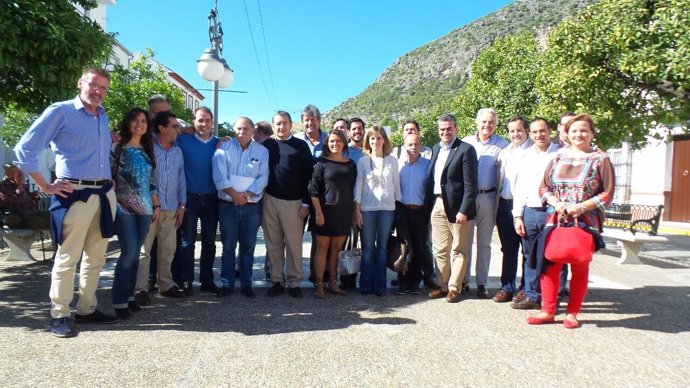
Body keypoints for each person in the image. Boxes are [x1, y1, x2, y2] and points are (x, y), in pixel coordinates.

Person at [14, 67, 118, 337]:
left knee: (96, 257)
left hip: (103, 195)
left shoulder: (102, 116)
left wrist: (106, 177)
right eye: (93, 85)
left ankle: (86, 309)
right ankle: (59, 314)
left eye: (103, 88)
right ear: (80, 82)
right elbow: (24, 149)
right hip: (74, 194)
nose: (98, 91)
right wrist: (45, 185)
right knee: (67, 257)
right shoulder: (60, 111)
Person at [528, 113, 615, 328]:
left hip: (584, 221)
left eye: (584, 130)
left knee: (579, 265)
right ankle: (547, 310)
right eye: (574, 130)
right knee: (549, 265)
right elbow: (543, 187)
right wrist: (557, 203)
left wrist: (582, 207)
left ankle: (572, 312)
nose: (579, 134)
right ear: (567, 133)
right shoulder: (558, 157)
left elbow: (608, 193)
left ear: (592, 133)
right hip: (556, 218)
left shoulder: (600, 159)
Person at [110, 108, 159, 320]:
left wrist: (156, 205)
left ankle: (129, 296)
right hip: (122, 206)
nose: (139, 124)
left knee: (136, 253)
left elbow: (151, 182)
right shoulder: (117, 147)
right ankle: (119, 299)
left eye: (143, 121)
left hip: (145, 208)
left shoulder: (147, 149)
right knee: (128, 252)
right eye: (135, 120)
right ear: (128, 122)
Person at [212, 117, 269, 298]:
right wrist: (235, 195)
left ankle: (246, 284)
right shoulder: (224, 148)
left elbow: (263, 177)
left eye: (245, 129)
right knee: (228, 245)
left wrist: (247, 195)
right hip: (228, 205)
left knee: (248, 246)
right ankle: (227, 283)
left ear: (253, 131)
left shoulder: (262, 151)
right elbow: (219, 175)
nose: (241, 132)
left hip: (251, 206)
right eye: (238, 128)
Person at [134, 111, 187, 305]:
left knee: (168, 250)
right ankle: (140, 289)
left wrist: (182, 205)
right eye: (173, 126)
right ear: (161, 128)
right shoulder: (147, 147)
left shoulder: (177, 151)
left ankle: (166, 285)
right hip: (149, 208)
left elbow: (181, 178)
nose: (177, 130)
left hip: (171, 207)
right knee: (144, 250)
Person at [425, 114, 478, 303]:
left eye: (449, 128)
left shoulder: (466, 150)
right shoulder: (435, 149)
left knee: (459, 249)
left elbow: (471, 185)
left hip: (458, 207)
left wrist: (464, 209)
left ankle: (455, 288)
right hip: (438, 204)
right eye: (442, 129)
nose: (445, 132)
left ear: (456, 128)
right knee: (440, 248)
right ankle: (442, 284)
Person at [262, 111, 314, 298]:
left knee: (293, 245)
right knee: (273, 244)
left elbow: (310, 177)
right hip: (270, 200)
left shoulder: (301, 147)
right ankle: (276, 280)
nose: (281, 127)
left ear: (290, 125)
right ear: (273, 126)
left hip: (293, 203)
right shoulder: (266, 145)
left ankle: (294, 282)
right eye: (277, 124)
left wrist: (306, 204)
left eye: (284, 123)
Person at [511, 118, 560, 310]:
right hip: (531, 211)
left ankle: (552, 296)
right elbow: (520, 188)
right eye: (534, 132)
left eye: (542, 131)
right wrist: (518, 216)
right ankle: (532, 295)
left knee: (553, 257)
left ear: (550, 131)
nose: (539, 135)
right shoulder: (526, 156)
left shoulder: (560, 154)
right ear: (530, 134)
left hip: (553, 212)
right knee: (530, 255)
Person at [171, 106, 220, 295]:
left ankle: (207, 280)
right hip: (189, 199)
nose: (204, 124)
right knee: (187, 242)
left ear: (212, 122)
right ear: (193, 121)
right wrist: (181, 129)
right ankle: (186, 280)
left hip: (212, 198)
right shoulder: (183, 139)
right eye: (200, 120)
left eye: (207, 120)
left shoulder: (221, 143)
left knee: (209, 242)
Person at [462, 108, 509, 298]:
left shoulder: (502, 144)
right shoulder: (466, 142)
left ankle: (481, 283)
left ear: (495, 125)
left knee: (484, 244)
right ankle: (463, 281)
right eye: (484, 122)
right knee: (464, 242)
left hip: (488, 198)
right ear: (477, 122)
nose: (487, 125)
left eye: (491, 122)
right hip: (468, 198)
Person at [308, 129, 356, 299]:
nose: (335, 144)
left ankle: (333, 283)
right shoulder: (320, 163)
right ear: (327, 143)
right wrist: (318, 213)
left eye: (338, 141)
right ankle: (319, 284)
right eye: (332, 141)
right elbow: (313, 190)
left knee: (336, 250)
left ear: (344, 143)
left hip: (343, 213)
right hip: (324, 212)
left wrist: (354, 213)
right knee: (321, 250)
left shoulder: (351, 164)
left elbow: (353, 190)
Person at [354, 126, 401, 296]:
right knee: (367, 249)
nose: (376, 141)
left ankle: (380, 286)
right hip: (367, 209)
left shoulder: (392, 161)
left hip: (387, 209)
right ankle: (365, 285)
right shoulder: (363, 161)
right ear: (368, 141)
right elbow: (358, 186)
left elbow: (396, 186)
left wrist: (398, 209)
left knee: (382, 249)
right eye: (372, 138)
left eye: (379, 138)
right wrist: (357, 211)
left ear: (384, 140)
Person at [492, 116, 531, 303]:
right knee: (508, 249)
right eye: (512, 131)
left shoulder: (534, 152)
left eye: (519, 130)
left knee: (527, 251)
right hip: (505, 206)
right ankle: (507, 287)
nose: (516, 134)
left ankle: (525, 288)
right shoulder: (505, 152)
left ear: (526, 131)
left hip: (526, 208)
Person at [393, 133, 433, 295]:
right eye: (410, 145)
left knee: (419, 247)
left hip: (420, 211)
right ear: (404, 146)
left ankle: (414, 282)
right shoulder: (397, 165)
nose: (413, 148)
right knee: (403, 247)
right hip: (402, 210)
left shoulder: (427, 165)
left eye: (416, 144)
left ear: (420, 145)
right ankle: (402, 281)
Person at [338, 117, 366, 291]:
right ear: (349, 131)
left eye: (360, 129)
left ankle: (368, 279)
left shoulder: (370, 150)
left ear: (364, 130)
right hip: (349, 204)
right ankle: (348, 280)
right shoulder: (344, 152)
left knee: (369, 245)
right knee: (350, 243)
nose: (357, 132)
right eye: (354, 129)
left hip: (370, 204)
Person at [0, 164, 50, 231]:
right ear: (8, 173)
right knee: (49, 223)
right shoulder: (3, 186)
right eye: (16, 172)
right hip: (20, 216)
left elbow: (28, 199)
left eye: (20, 172)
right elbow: (16, 200)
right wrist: (19, 186)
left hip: (33, 212)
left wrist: (34, 196)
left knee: (55, 217)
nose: (20, 174)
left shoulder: (23, 185)